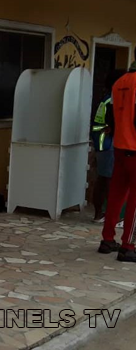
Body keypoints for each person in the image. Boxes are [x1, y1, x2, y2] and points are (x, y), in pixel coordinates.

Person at [100, 56, 136, 263]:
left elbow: (110, 116)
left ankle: (107, 240)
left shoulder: (120, 82)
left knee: (116, 195)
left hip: (120, 146)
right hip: (134, 147)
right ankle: (128, 246)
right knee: (134, 200)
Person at [92, 70, 127, 222]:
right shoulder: (110, 100)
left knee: (103, 178)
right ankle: (108, 215)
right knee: (108, 180)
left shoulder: (105, 99)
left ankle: (100, 213)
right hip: (107, 143)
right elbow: (106, 124)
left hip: (102, 144)